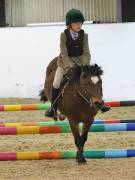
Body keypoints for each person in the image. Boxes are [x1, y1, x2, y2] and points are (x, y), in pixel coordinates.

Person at [45, 9, 110, 119]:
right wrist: (70, 66)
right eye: (76, 23)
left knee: (95, 79)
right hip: (65, 63)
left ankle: (101, 103)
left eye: (80, 23)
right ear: (70, 25)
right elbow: (64, 53)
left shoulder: (84, 36)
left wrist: (84, 66)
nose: (79, 25)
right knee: (56, 83)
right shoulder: (63, 35)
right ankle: (53, 109)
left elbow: (87, 53)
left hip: (81, 63)